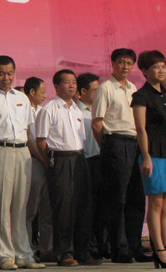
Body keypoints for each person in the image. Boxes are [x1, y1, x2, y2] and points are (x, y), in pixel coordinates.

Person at [0, 56, 43, 270]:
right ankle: (4, 255)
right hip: (0, 150)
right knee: (1, 206)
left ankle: (24, 254)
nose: (6, 77)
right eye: (1, 73)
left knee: (21, 206)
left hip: (22, 152)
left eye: (10, 73)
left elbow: (28, 130)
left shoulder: (22, 98)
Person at [35, 70, 99, 267]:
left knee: (83, 206)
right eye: (66, 82)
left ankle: (82, 251)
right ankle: (64, 253)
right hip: (60, 160)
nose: (71, 85)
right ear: (56, 86)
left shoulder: (77, 110)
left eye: (73, 82)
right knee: (63, 208)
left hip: (80, 158)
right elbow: (41, 140)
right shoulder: (49, 109)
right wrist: (50, 162)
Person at [92, 48, 148, 263]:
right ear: (113, 63)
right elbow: (97, 124)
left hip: (135, 143)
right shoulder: (105, 88)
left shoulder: (133, 88)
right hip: (115, 142)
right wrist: (107, 147)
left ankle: (136, 247)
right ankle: (119, 248)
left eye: (129, 63)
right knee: (118, 200)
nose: (125, 67)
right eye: (121, 62)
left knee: (137, 198)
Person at [131, 50, 166, 268]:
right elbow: (140, 129)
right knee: (156, 203)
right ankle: (158, 250)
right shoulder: (141, 96)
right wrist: (146, 157)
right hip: (153, 154)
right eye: (155, 67)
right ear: (144, 71)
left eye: (163, 66)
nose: (161, 70)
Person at [76, 72, 108, 260]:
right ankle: (89, 245)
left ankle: (102, 243)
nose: (99, 93)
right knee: (88, 207)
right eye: (95, 90)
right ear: (83, 91)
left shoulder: (101, 110)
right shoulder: (76, 112)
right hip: (85, 161)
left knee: (103, 206)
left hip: (102, 160)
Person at [24, 77, 53, 262]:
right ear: (32, 92)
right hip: (32, 160)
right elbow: (29, 139)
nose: (45, 95)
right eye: (42, 92)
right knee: (29, 209)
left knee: (47, 208)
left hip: (47, 161)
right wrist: (42, 157)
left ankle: (47, 248)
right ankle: (27, 249)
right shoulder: (22, 110)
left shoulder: (44, 111)